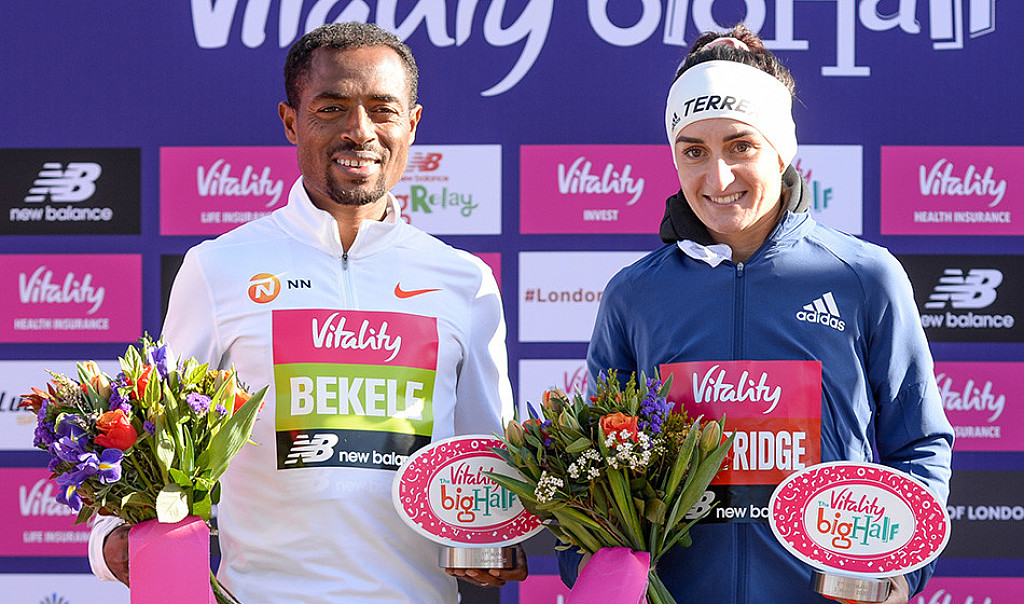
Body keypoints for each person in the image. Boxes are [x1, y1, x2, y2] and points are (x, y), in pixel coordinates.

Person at [88, 22, 527, 602]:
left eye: (383, 110)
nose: (360, 130)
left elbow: (485, 457)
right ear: (291, 121)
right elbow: (149, 435)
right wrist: (111, 538)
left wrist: (497, 537)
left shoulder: (464, 281)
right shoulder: (218, 268)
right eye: (331, 108)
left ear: (413, 123)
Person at [557, 24, 953, 604]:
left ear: (781, 148)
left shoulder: (863, 277)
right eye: (694, 151)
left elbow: (918, 444)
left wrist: (899, 574)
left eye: (741, 146)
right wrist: (598, 572)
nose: (717, 178)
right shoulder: (634, 294)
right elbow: (591, 467)